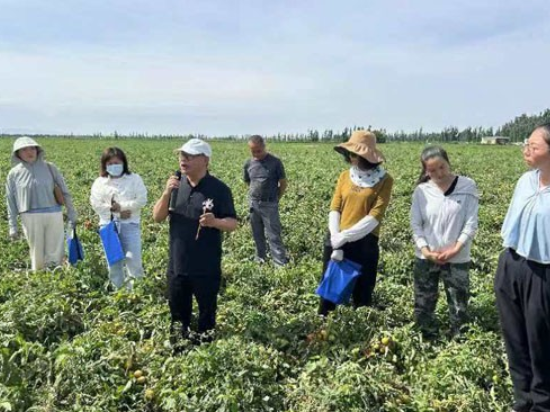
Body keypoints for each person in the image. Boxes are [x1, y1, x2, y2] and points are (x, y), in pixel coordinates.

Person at [153, 138, 237, 344]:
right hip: (177, 264)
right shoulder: (175, 184)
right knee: (178, 316)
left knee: (206, 314)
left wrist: (215, 221)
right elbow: (157, 216)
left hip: (206, 266)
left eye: (190, 156)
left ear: (205, 160)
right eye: (182, 155)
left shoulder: (219, 189)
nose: (184, 159)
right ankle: (180, 350)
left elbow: (232, 223)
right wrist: (166, 193)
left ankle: (206, 349)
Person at [495, 123, 550, 412]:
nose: (526, 150)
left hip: (543, 272)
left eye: (534, 146)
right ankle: (523, 401)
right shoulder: (526, 181)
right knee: (515, 338)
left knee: (540, 343)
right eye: (526, 144)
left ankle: (542, 404)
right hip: (512, 263)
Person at [319, 130, 393, 316]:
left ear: (364, 156)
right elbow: (335, 207)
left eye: (353, 154)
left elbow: (375, 216)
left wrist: (345, 236)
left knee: (363, 292)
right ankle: (323, 330)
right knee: (330, 291)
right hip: (337, 238)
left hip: (364, 242)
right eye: (349, 154)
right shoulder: (345, 176)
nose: (350, 158)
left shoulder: (384, 180)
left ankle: (359, 334)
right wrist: (335, 235)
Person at [410, 146, 479, 338]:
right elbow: (416, 224)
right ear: (425, 171)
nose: (439, 173)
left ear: (448, 162)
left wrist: (456, 248)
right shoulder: (421, 191)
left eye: (442, 167)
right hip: (426, 256)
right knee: (423, 301)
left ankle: (458, 338)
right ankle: (427, 337)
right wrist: (425, 250)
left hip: (457, 257)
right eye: (432, 170)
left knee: (459, 302)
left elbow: (471, 222)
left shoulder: (467, 186)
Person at [5, 136, 77, 271]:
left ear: (38, 150)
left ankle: (56, 276)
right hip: (30, 216)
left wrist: (72, 213)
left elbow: (64, 191)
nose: (29, 152)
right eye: (24, 150)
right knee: (36, 251)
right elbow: (11, 200)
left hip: (54, 213)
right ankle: (40, 278)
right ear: (18, 153)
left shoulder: (50, 167)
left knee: (56, 249)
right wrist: (12, 226)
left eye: (32, 148)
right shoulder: (14, 174)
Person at [90, 147, 147, 290]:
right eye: (110, 163)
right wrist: (118, 213)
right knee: (114, 262)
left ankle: (136, 293)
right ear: (104, 165)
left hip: (130, 225)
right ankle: (118, 292)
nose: (114, 166)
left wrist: (121, 206)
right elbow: (96, 204)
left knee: (134, 260)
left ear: (124, 163)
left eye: (117, 162)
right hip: (108, 227)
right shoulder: (99, 182)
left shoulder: (134, 179)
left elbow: (141, 200)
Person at [243, 135, 289, 266]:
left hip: (270, 203)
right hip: (254, 203)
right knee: (257, 234)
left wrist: (275, 199)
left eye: (259, 150)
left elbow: (283, 183)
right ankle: (260, 260)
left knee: (274, 235)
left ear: (264, 146)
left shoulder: (275, 162)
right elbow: (248, 181)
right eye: (253, 151)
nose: (256, 154)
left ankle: (280, 264)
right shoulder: (248, 163)